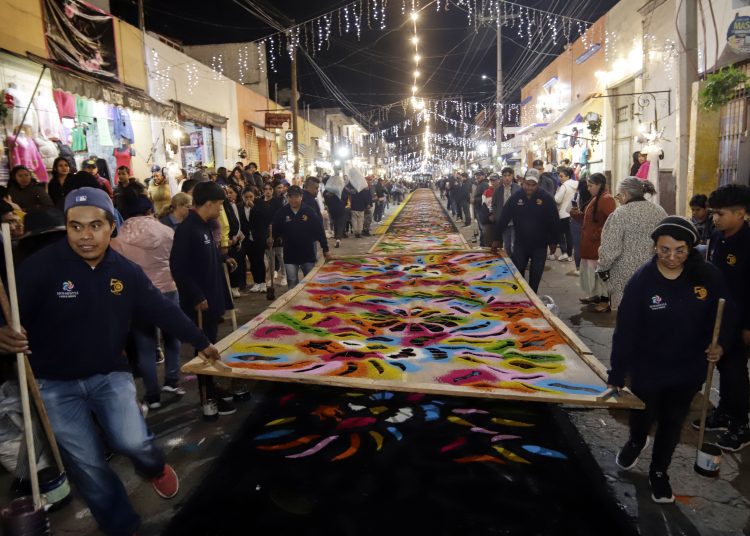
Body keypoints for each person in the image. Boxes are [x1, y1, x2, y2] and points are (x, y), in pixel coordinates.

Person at [15, 187, 220, 535]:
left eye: (96, 225)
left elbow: (160, 309)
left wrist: (200, 341)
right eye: (75, 226)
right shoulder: (39, 268)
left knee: (132, 442)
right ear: (65, 227)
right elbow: (10, 315)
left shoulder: (125, 272)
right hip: (53, 383)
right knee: (88, 466)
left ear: (113, 226)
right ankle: (122, 526)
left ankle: (154, 466)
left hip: (109, 375)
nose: (85, 235)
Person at [608, 217, 732, 504]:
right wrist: (617, 373)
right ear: (654, 248)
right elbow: (625, 331)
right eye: (664, 250)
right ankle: (637, 440)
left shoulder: (707, 276)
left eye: (680, 250)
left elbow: (727, 312)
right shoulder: (641, 281)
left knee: (673, 421)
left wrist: (720, 344)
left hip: (688, 367)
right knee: (643, 414)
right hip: (648, 366)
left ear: (690, 248)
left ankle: (659, 471)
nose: (672, 257)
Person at [111, 194, 185, 409]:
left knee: (145, 346)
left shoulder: (118, 238)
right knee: (173, 337)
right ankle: (172, 380)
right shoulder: (166, 231)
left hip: (138, 296)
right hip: (168, 290)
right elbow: (176, 261)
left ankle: (152, 396)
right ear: (149, 209)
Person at [170, 182, 237, 416]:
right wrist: (196, 294)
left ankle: (212, 387)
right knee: (204, 349)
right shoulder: (188, 229)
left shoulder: (206, 226)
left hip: (213, 296)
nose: (221, 209)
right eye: (219, 204)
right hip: (200, 303)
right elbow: (178, 268)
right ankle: (206, 396)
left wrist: (223, 260)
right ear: (208, 203)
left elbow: (204, 259)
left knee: (212, 345)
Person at [694, 184, 750, 451]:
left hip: (740, 320)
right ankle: (724, 413)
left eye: (721, 214)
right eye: (714, 213)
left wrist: (748, 326)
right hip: (718, 315)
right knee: (721, 367)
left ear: (740, 214)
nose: (715, 218)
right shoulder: (717, 236)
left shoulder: (748, 243)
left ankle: (741, 424)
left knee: (736, 372)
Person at [597, 178, 667, 310]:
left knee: (627, 317)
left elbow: (610, 248)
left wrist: (602, 268)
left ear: (625, 194)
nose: (618, 199)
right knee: (651, 313)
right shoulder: (659, 211)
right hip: (654, 272)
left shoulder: (620, 213)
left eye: (618, 195)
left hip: (625, 277)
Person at [491, 169, 559, 293]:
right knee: (518, 274)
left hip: (540, 245)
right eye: (527, 184)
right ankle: (521, 297)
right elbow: (504, 218)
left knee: (536, 275)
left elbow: (554, 221)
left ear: (538, 184)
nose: (530, 188)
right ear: (523, 182)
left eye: (533, 185)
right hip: (520, 244)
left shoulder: (546, 198)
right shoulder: (515, 197)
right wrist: (496, 238)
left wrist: (553, 241)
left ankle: (533, 297)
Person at [272, 185, 330, 289]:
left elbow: (319, 230)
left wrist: (325, 248)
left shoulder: (309, 211)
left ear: (301, 197)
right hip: (290, 254)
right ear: (287, 197)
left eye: (296, 196)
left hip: (307, 253)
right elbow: (275, 230)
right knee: (292, 282)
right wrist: (272, 238)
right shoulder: (281, 213)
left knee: (310, 283)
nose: (293, 199)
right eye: (290, 196)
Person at [576, 173, 616, 312]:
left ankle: (605, 302)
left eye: (590, 185)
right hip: (590, 243)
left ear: (599, 185)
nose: (588, 188)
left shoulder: (606, 199)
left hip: (597, 244)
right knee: (590, 271)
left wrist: (596, 234)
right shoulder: (597, 198)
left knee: (600, 273)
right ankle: (595, 295)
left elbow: (611, 223)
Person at [489, 167, 520, 257]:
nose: (507, 178)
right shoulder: (498, 190)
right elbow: (493, 204)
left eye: (509, 175)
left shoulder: (518, 188)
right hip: (503, 222)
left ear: (512, 176)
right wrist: (493, 214)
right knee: (506, 245)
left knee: (515, 244)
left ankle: (516, 263)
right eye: (505, 175)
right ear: (502, 177)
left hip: (515, 221)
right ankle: (510, 262)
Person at [551, 166, 577, 262]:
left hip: (563, 214)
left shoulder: (564, 186)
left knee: (561, 234)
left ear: (567, 176)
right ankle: (570, 255)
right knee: (570, 235)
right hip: (573, 213)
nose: (559, 178)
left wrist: (557, 192)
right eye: (559, 176)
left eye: (561, 176)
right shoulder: (576, 184)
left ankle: (564, 253)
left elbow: (557, 199)